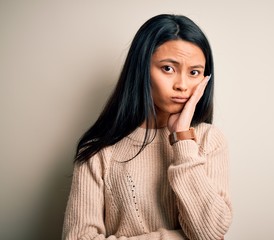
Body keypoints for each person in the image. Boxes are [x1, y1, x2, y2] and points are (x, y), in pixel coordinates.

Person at [62, 14, 232, 240]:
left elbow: (210, 233)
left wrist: (182, 139)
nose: (182, 85)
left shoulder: (209, 140)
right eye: (168, 69)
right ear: (141, 69)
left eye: (194, 73)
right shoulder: (98, 150)